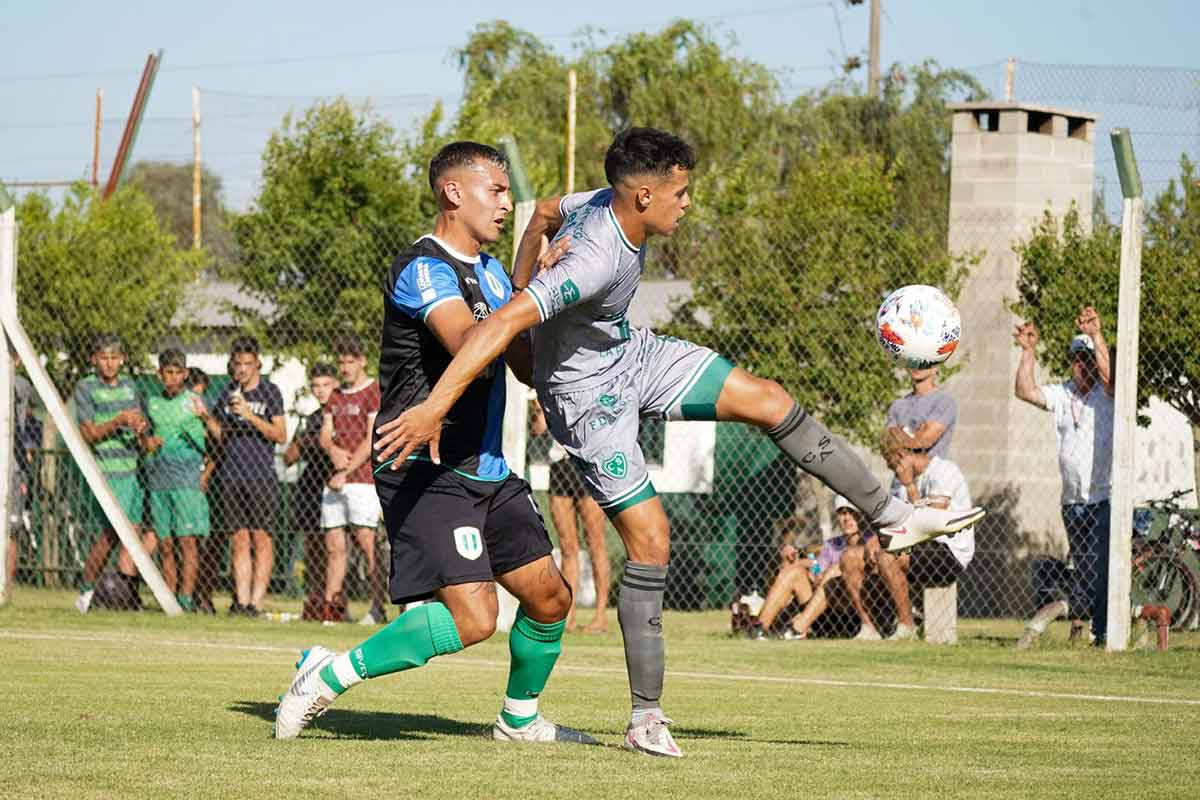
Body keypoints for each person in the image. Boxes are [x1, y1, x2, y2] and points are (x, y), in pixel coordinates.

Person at [373, 127, 985, 757]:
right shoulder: (593, 262)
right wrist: (433, 409)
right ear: (642, 196)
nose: (687, 203)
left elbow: (548, 210)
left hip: (631, 354)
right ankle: (644, 719)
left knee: (770, 399)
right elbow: (502, 324)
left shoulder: (599, 201)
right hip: (588, 403)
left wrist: (533, 242)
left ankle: (893, 518)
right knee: (652, 539)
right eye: (681, 192)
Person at [274, 141, 593, 747]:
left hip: (487, 468)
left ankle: (519, 719)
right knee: (476, 619)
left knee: (550, 597)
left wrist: (543, 288)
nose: (503, 203)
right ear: (454, 192)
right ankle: (325, 678)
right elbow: (468, 340)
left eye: (506, 193)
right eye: (495, 190)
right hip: (425, 464)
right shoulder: (423, 267)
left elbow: (520, 361)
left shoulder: (494, 273)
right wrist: (530, 292)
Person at [1014, 305, 1114, 646]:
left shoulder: (1107, 395)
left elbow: (1111, 376)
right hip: (1072, 503)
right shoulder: (1063, 394)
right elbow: (1025, 390)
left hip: (1102, 499)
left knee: (1100, 571)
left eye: (1087, 358)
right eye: (1076, 359)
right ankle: (1086, 628)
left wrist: (1096, 335)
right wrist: (1028, 352)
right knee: (1085, 572)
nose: (1081, 365)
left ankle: (1104, 634)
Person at [844, 440, 977, 641]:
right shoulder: (899, 481)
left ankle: (907, 626)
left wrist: (910, 485)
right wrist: (876, 538)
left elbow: (932, 520)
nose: (893, 472)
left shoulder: (945, 471)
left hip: (947, 550)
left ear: (903, 456)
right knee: (850, 557)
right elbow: (892, 519)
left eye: (893, 465)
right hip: (913, 546)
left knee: (887, 556)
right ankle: (869, 628)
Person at [73, 334, 156, 614]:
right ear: (93, 359)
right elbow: (89, 433)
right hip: (105, 472)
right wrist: (119, 420)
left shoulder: (131, 387)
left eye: (114, 358)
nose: (109, 364)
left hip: (131, 471)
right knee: (110, 535)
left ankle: (125, 594)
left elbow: (142, 429)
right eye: (103, 358)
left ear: (122, 360)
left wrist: (142, 433)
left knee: (132, 535)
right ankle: (85, 589)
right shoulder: (86, 388)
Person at [211, 336, 286, 616]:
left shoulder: (270, 393)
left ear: (258, 364)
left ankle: (256, 603)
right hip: (232, 475)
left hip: (260, 476)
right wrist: (207, 419)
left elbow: (280, 434)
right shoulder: (226, 393)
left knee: (261, 538)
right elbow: (220, 436)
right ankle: (241, 603)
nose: (242, 369)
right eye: (238, 364)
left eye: (247, 364)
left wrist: (249, 415)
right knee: (239, 539)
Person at [141, 349, 221, 612]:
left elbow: (219, 438)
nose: (172, 378)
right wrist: (147, 442)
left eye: (178, 373)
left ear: (185, 374)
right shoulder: (152, 403)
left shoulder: (194, 401)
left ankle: (186, 599)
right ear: (159, 374)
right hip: (159, 479)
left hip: (186, 479)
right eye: (168, 373)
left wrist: (206, 417)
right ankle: (170, 599)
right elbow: (145, 439)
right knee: (165, 543)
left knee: (187, 541)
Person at [319, 334, 387, 625]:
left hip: (362, 480)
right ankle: (332, 608)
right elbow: (325, 432)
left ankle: (377, 607)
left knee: (366, 542)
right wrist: (332, 449)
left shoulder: (373, 391)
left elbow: (372, 437)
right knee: (334, 545)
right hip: (335, 481)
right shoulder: (335, 396)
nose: (345, 368)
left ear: (361, 361)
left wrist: (346, 471)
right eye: (341, 362)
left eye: (350, 361)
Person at [530, 397, 611, 633]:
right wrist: (538, 409)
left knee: (596, 542)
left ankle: (600, 616)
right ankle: (570, 614)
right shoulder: (551, 385)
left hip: (589, 462)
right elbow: (538, 430)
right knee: (567, 547)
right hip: (561, 465)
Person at [283, 363, 338, 622]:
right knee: (313, 546)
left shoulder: (344, 412)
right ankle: (316, 596)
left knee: (338, 547)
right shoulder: (312, 418)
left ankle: (338, 600)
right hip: (310, 485)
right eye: (315, 386)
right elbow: (288, 457)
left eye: (326, 385)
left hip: (337, 483)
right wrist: (305, 441)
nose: (321, 391)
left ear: (335, 385)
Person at [885, 365, 957, 458]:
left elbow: (924, 441)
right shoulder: (898, 405)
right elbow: (887, 443)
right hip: (902, 471)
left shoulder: (944, 401)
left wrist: (900, 432)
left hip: (932, 471)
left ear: (935, 367)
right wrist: (916, 434)